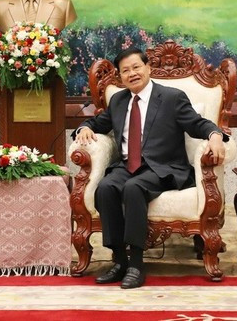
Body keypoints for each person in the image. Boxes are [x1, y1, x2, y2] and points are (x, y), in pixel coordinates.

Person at [74, 47, 228, 289]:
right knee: (105, 188)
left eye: (136, 67)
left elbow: (197, 124)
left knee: (134, 188)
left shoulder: (171, 97)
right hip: (128, 165)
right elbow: (98, 122)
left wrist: (215, 135)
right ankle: (120, 260)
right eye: (125, 71)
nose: (132, 73)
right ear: (121, 77)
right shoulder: (118, 100)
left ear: (147, 68)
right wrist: (85, 128)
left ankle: (136, 264)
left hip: (164, 167)